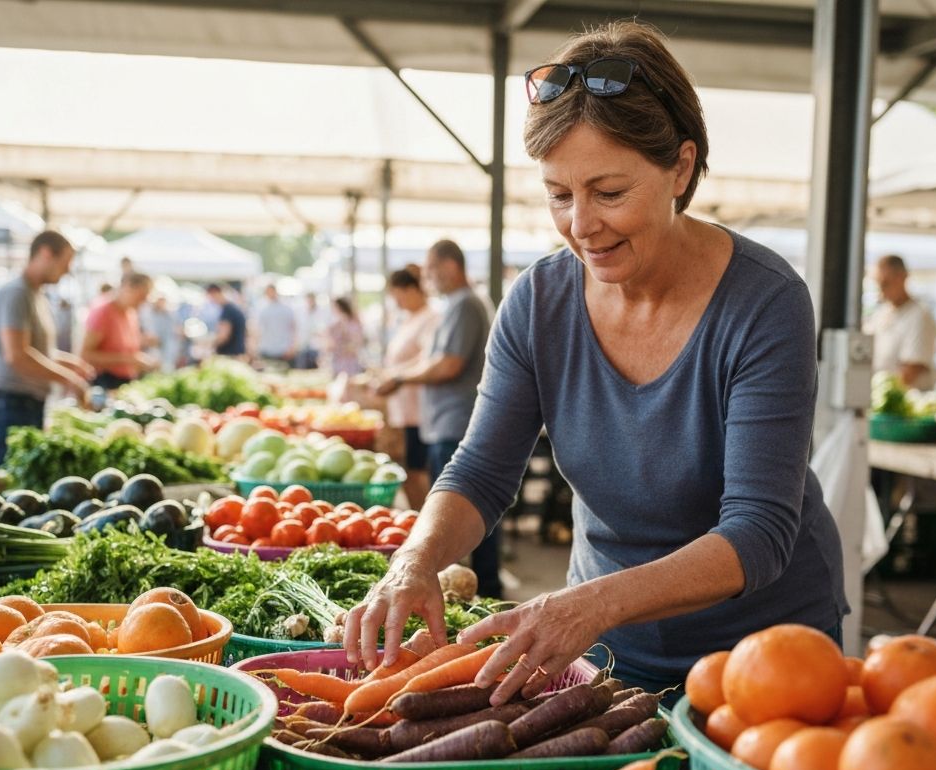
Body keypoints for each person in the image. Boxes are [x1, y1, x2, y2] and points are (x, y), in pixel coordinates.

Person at [348, 22, 847, 698]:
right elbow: (481, 471)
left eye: (609, 193)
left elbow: (758, 533)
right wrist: (415, 559)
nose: (581, 224)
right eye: (560, 194)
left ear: (681, 166)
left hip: (763, 657)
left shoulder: (766, 303)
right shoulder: (536, 303)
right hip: (600, 650)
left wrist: (591, 605)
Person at [376, 239, 500, 596]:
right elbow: (435, 359)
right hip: (445, 422)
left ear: (450, 266)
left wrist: (399, 378)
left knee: (466, 510)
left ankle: (486, 589)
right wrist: (396, 375)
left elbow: (449, 364)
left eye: (430, 270)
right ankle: (477, 586)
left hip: (456, 424)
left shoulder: (465, 306)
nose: (426, 278)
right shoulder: (457, 306)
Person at [0, 230, 92, 469]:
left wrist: (71, 364)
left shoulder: (34, 294)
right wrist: (69, 379)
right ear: (45, 254)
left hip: (23, 402)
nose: (67, 270)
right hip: (9, 403)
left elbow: (38, 351)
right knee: (6, 484)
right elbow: (17, 356)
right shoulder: (16, 293)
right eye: (65, 262)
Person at [381, 265, 441, 510]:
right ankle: (418, 517)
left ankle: (425, 519)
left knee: (418, 470)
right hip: (404, 409)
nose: (397, 302)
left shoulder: (432, 318)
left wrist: (396, 377)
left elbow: (428, 358)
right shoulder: (409, 319)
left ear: (410, 290)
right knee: (410, 469)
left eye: (399, 295)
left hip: (419, 409)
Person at [865, 255, 936, 389]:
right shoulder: (881, 313)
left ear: (902, 278)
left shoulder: (919, 316)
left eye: (885, 283)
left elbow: (911, 370)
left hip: (903, 401)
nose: (881, 290)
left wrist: (880, 393)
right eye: (878, 284)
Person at [81, 271, 157, 389]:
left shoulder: (131, 313)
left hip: (125, 381)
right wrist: (128, 359)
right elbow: (86, 354)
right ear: (128, 288)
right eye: (142, 295)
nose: (144, 301)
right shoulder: (103, 311)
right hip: (104, 382)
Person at [254, 282, 296, 364]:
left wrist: (292, 347)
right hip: (267, 348)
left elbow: (293, 328)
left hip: (283, 349)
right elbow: (258, 329)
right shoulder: (262, 308)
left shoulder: (286, 309)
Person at [323, 297, 365, 376]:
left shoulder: (353, 323)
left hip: (349, 364)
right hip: (339, 363)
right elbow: (329, 345)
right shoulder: (335, 324)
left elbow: (355, 345)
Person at [206, 283, 248, 358]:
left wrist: (210, 346)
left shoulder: (227, 311)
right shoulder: (232, 308)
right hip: (237, 353)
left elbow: (223, 336)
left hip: (230, 354)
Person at [142, 295, 181, 373]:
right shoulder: (146, 313)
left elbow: (173, 336)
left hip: (166, 354)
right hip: (150, 352)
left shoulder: (170, 316)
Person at [295, 293, 321, 369]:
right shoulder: (301, 312)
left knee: (315, 368)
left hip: (315, 347)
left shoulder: (321, 312)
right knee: (302, 367)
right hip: (303, 346)